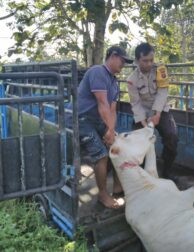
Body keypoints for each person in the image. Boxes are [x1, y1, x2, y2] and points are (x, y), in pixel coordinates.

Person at [76, 45, 133, 209]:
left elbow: (112, 110)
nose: (124, 64)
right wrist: (108, 130)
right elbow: (102, 104)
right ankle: (102, 194)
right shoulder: (98, 72)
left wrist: (111, 132)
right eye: (123, 60)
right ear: (113, 56)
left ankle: (117, 187)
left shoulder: (114, 82)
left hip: (98, 120)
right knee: (102, 155)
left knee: (118, 146)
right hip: (81, 119)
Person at [127, 43, 178, 178]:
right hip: (142, 112)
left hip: (161, 109)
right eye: (145, 61)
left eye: (151, 60)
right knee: (138, 140)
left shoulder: (161, 70)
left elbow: (162, 92)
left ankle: (167, 169)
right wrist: (144, 123)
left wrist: (157, 114)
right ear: (137, 60)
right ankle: (141, 173)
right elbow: (136, 103)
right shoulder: (131, 80)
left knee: (172, 136)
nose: (149, 64)